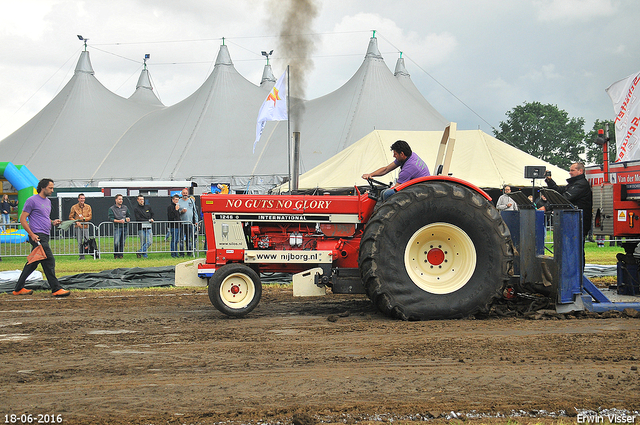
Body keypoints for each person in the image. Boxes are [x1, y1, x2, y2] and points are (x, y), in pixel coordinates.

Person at [12, 179, 70, 297]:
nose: (52, 190)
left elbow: (44, 217)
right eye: (50, 188)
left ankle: (18, 289)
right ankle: (56, 289)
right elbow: (23, 219)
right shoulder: (31, 200)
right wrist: (32, 235)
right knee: (49, 261)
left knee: (33, 263)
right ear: (43, 187)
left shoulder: (48, 202)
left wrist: (53, 222)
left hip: (45, 234)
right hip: (38, 236)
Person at [544, 162, 593, 265]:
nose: (570, 172)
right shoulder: (573, 184)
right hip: (572, 221)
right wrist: (550, 181)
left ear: (580, 171)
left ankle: (578, 274)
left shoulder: (581, 184)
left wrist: (547, 207)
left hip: (579, 221)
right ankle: (571, 271)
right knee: (570, 248)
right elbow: (559, 191)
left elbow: (565, 198)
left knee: (577, 249)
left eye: (572, 170)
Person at [361, 140, 430, 200]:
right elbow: (386, 169)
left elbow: (396, 188)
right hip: (419, 185)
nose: (393, 156)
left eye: (395, 154)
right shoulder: (410, 155)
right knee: (383, 192)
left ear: (402, 154)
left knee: (386, 194)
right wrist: (370, 175)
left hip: (419, 190)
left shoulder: (408, 168)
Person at [69, 193, 92, 260]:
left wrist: (84, 219)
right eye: (81, 198)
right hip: (78, 226)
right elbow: (70, 217)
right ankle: (81, 256)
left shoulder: (88, 207)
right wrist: (76, 221)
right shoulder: (74, 207)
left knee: (86, 240)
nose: (82, 200)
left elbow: (90, 216)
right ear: (78, 199)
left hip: (85, 226)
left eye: (83, 198)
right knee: (79, 241)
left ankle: (88, 253)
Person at [108, 194, 130, 259]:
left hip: (125, 227)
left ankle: (121, 255)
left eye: (122, 199)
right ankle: (116, 254)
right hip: (117, 227)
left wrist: (128, 219)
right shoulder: (112, 208)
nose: (121, 200)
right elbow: (110, 218)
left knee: (122, 242)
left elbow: (128, 215)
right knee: (116, 242)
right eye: (119, 199)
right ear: (116, 200)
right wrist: (118, 221)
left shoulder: (125, 207)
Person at [178, 188, 197, 256]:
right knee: (181, 239)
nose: (185, 194)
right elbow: (176, 212)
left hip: (190, 223)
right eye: (184, 193)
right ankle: (182, 253)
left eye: (186, 193)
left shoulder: (191, 200)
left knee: (189, 239)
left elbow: (195, 211)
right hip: (182, 223)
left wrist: (196, 221)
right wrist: (181, 212)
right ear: (181, 194)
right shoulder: (179, 201)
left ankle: (189, 252)